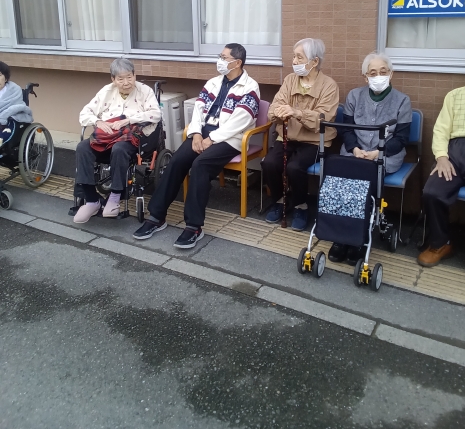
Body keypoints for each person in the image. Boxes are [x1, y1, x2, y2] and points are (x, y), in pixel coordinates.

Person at [133, 43, 260, 248]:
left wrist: (212, 138)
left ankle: (194, 226)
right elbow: (198, 111)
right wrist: (196, 134)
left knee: (200, 165)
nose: (219, 61)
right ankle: (156, 216)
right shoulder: (213, 83)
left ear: (237, 63)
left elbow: (241, 121)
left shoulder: (250, 87)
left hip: (230, 139)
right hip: (203, 134)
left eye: (224, 57)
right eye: (220, 56)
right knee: (177, 161)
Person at [328, 52, 412, 265]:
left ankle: (360, 237)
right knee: (340, 182)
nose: (378, 76)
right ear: (365, 77)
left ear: (391, 74)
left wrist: (377, 153)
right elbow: (347, 129)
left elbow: (402, 138)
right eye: (372, 73)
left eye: (383, 72)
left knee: (365, 183)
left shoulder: (403, 101)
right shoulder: (354, 96)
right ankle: (340, 236)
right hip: (355, 152)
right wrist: (355, 149)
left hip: (386, 155)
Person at [262, 38, 339, 231]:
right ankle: (279, 200)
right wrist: (278, 113)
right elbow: (274, 107)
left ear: (315, 61)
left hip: (315, 141)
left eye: (299, 57)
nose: (294, 61)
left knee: (295, 167)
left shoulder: (329, 85)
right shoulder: (290, 80)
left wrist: (297, 112)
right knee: (269, 163)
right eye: (294, 56)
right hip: (287, 136)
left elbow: (323, 117)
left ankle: (301, 206)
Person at [73, 58, 162, 224]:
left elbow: (156, 114)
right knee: (82, 147)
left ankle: (115, 196)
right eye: (120, 79)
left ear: (135, 76)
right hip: (106, 138)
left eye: (129, 77)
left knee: (119, 149)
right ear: (113, 79)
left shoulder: (145, 91)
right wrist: (98, 122)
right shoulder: (106, 91)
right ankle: (92, 200)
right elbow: (85, 113)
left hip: (132, 138)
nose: (126, 82)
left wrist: (130, 120)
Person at [418, 51, 465, 282]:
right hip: (454, 153)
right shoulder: (455, 96)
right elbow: (441, 130)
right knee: (432, 193)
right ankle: (440, 243)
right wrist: (442, 157)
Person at [0, 61, 33, 146]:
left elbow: (17, 106)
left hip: (8, 120)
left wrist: (3, 116)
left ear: (6, 78)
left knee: (12, 121)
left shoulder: (14, 90)